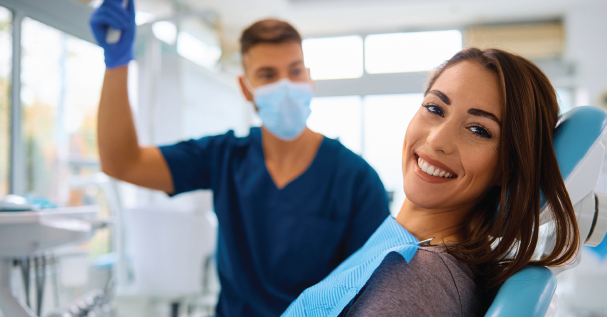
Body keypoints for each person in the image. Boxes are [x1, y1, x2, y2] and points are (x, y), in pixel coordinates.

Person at [88, 1, 391, 316]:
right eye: (268, 75)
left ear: (309, 79)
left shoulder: (357, 180)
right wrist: (117, 61)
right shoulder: (224, 157)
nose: (285, 86)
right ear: (246, 89)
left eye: (295, 70)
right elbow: (122, 162)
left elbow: (376, 294)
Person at [283, 47, 581, 316]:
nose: (437, 140)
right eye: (435, 109)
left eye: (478, 130)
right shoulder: (402, 249)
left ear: (509, 168)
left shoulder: (417, 279)